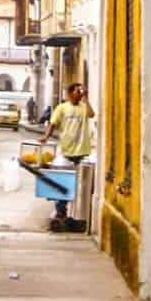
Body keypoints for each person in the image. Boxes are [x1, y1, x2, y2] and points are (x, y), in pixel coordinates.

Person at [40, 82, 98, 224]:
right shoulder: (62, 108)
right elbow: (53, 123)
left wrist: (86, 98)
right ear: (70, 93)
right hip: (66, 150)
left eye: (81, 92)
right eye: (78, 91)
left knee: (81, 184)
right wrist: (46, 137)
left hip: (82, 152)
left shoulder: (84, 107)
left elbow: (91, 114)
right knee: (63, 182)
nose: (80, 94)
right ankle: (61, 212)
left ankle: (80, 213)